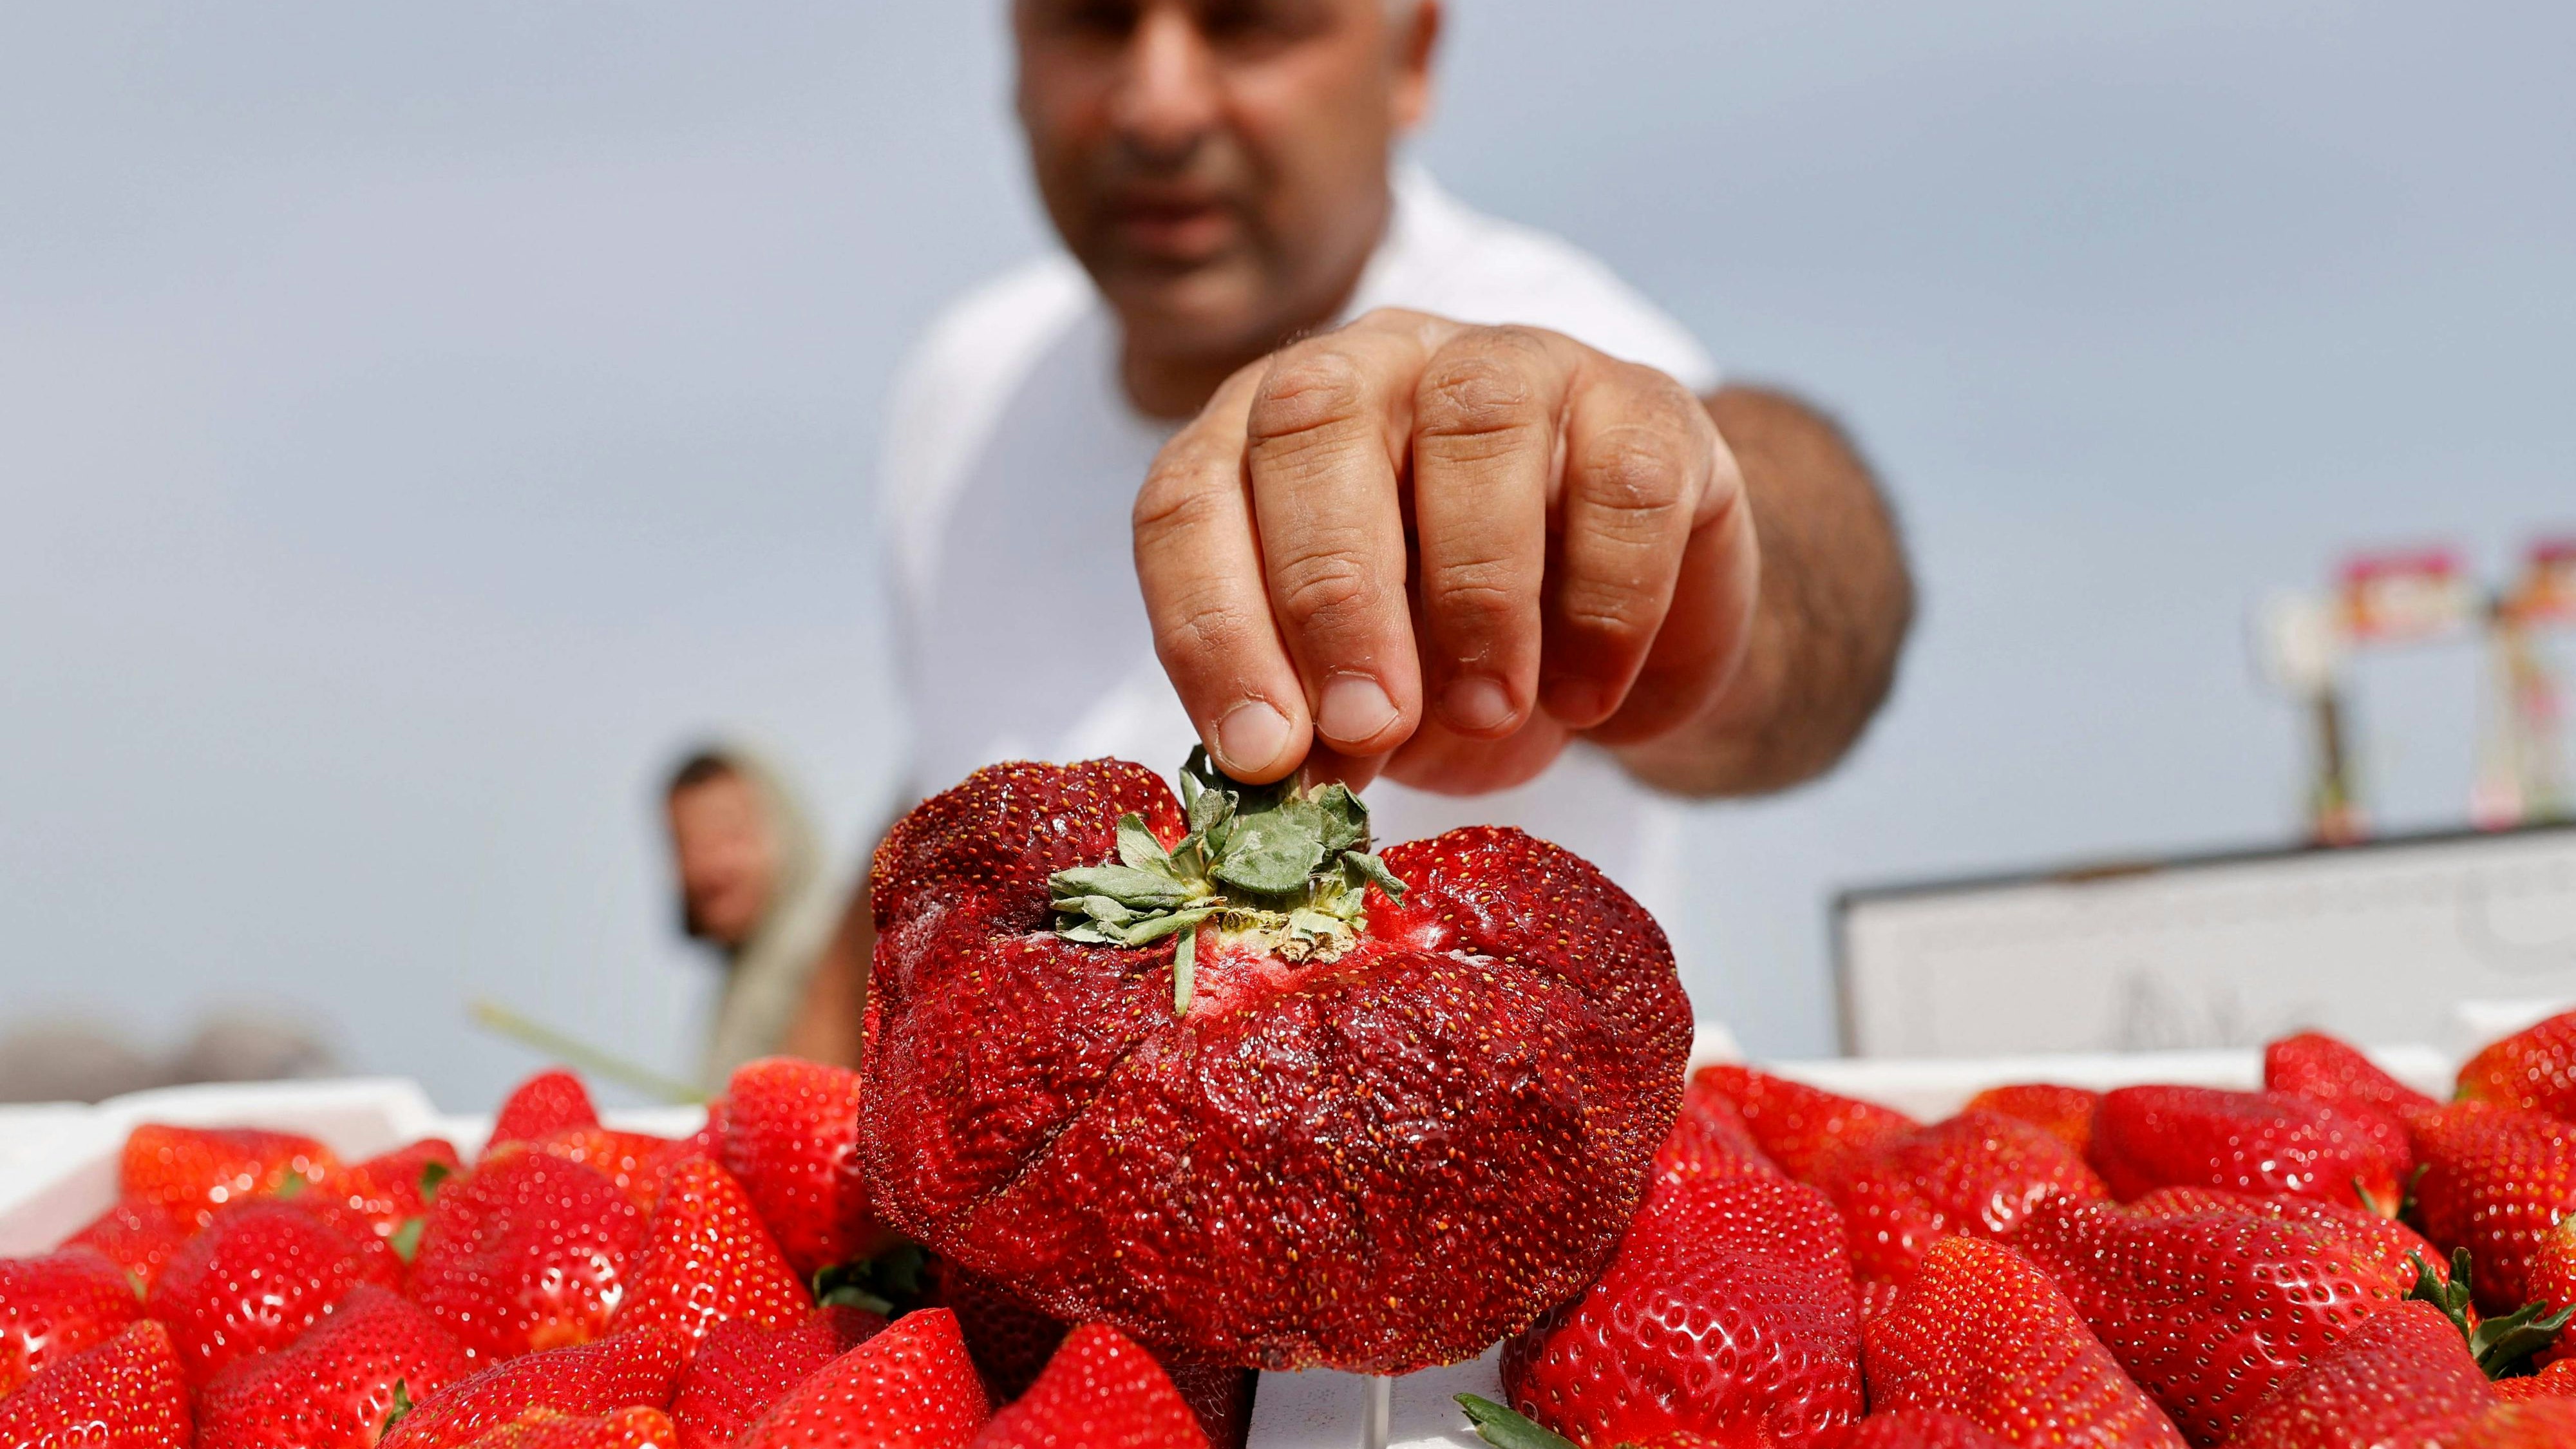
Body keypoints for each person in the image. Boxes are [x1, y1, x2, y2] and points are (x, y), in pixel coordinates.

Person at [819, 0, 1917, 1063]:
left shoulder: (1558, 340)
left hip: (1473, 1211)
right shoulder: (964, 390)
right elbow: (947, 805)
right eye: (1094, 20)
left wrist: (1686, 554)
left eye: (1250, 24)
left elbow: (1807, 608)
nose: (1157, 106)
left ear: (1412, 59)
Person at [662, 745, 859, 1081]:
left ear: (785, 830)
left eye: (732, 836)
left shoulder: (834, 953)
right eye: (690, 845)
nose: (712, 866)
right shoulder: (739, 987)